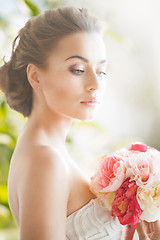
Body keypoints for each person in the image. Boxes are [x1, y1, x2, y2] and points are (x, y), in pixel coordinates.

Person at [0, 6, 159, 240]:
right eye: (78, 69)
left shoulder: (44, 152)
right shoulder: (45, 159)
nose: (95, 83)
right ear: (35, 76)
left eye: (101, 71)